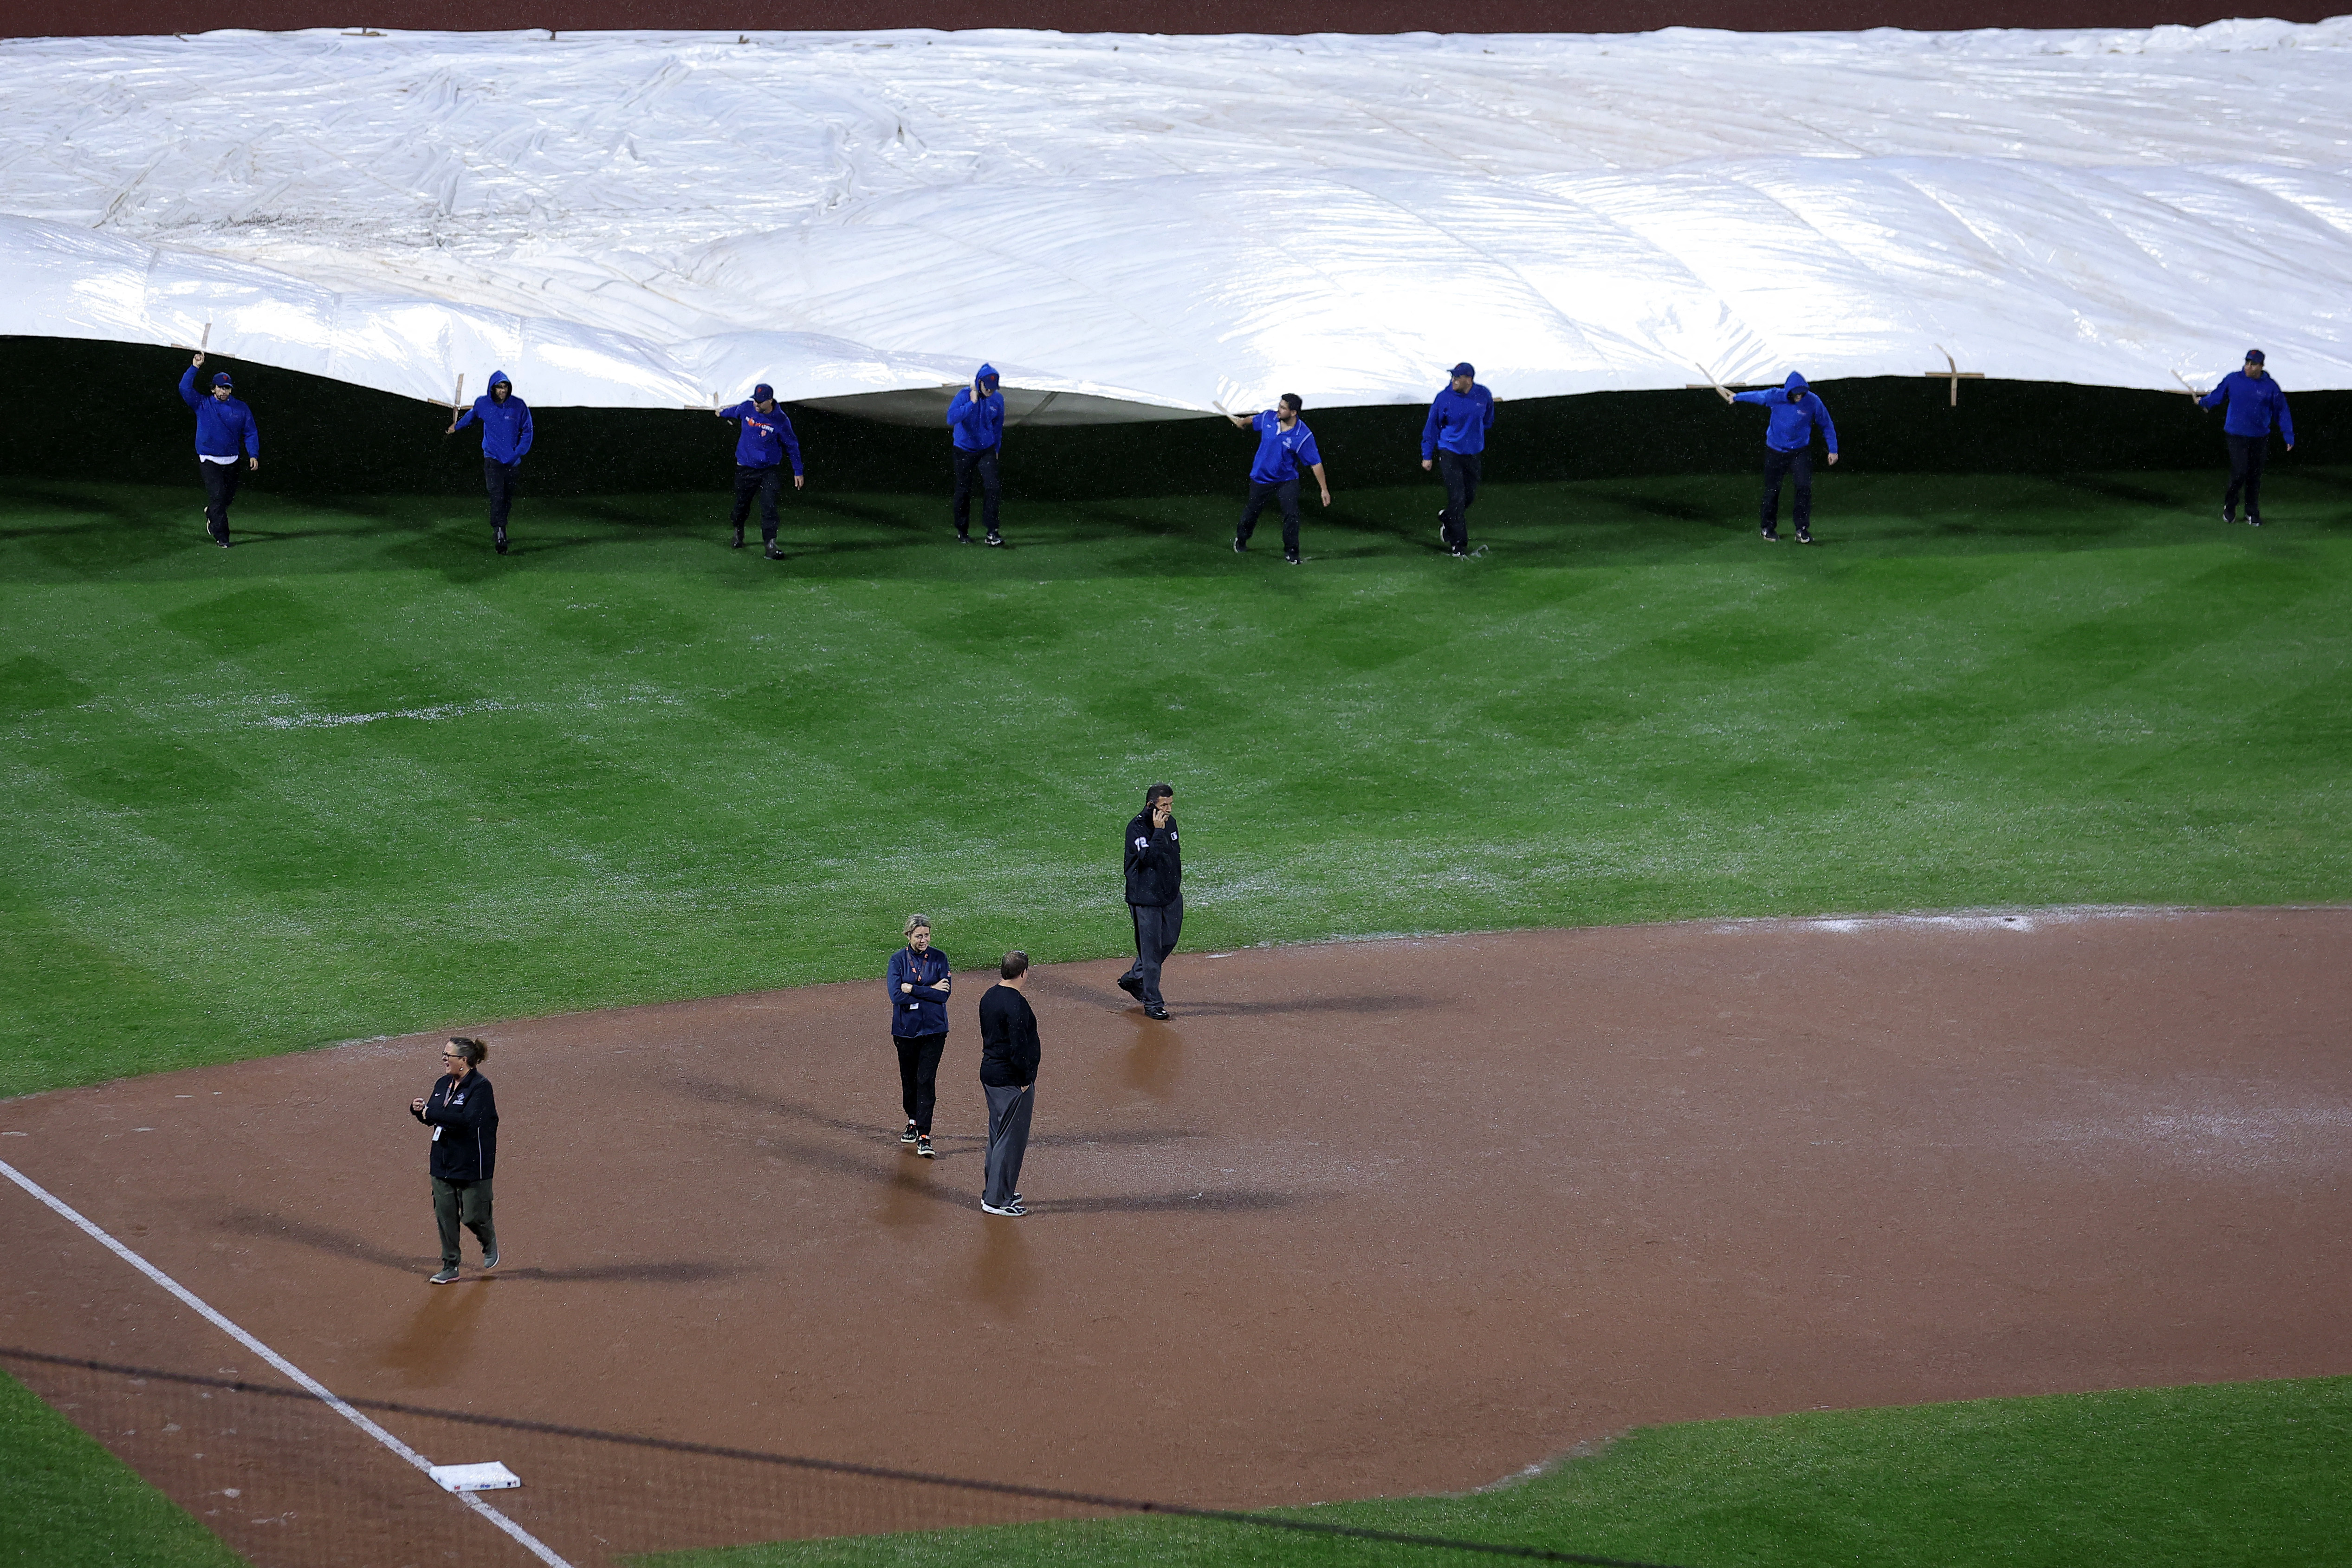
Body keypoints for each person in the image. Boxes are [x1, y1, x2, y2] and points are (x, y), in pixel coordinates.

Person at [408, 1037, 500, 1284]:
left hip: (472, 1163)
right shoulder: (442, 1083)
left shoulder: (480, 1088)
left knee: (472, 1216)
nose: (444, 1059)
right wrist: (420, 1112)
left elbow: (466, 1121)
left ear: (465, 1061)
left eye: (449, 1055)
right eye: (444, 1054)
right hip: (442, 1161)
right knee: (445, 1216)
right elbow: (436, 1116)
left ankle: (487, 1238)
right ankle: (450, 1266)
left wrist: (433, 1112)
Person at [1731, 372, 1839, 544]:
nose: (1799, 397)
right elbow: (1757, 396)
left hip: (1800, 452)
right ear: (1788, 391)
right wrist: (1737, 397)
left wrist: (1833, 450)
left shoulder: (1813, 401)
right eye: (1795, 394)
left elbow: (1826, 424)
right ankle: (1767, 528)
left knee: (1804, 488)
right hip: (1775, 451)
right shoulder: (1775, 396)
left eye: (1801, 394)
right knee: (1772, 490)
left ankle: (1802, 530)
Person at [1226, 395, 1329, 564]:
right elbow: (1253, 420)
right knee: (1252, 512)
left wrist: (1324, 489)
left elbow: (1315, 463)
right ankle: (1242, 539)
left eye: (1283, 408)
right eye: (1279, 406)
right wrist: (1241, 422)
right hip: (1261, 477)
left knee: (1292, 515)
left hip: (1286, 480)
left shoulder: (1303, 435)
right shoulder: (1269, 417)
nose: (1278, 410)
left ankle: (1292, 553)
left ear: (1294, 412)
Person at [2197, 350, 2295, 526]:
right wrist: (2204, 403)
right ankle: (2230, 507)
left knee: (2254, 476)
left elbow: (2281, 410)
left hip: (2259, 437)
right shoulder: (2233, 379)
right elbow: (2218, 395)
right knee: (2240, 472)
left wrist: (2288, 434)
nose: (2249, 367)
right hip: (2236, 434)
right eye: (2247, 362)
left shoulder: (2270, 386)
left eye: (2253, 364)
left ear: (2261, 366)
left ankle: (2252, 512)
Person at [977, 951, 1040, 1217]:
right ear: (1024, 973)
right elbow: (1019, 1048)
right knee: (1010, 1139)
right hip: (1009, 1080)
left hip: (991, 1072)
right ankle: (996, 1200)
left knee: (998, 1134)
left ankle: (996, 1189)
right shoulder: (1016, 1005)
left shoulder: (989, 996)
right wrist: (1025, 1080)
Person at [886, 914, 952, 1158]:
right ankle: (912, 1120)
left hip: (934, 1030)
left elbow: (944, 995)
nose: (923, 940)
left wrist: (912, 988)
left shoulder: (939, 958)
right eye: (919, 936)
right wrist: (930, 991)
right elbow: (896, 996)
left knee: (926, 1080)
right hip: (906, 1031)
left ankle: (924, 1135)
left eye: (926, 935)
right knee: (909, 1079)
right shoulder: (897, 961)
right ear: (908, 935)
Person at [447, 371, 534, 555]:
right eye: (499, 387)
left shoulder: (518, 406)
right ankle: (500, 531)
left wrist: (519, 452)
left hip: (512, 461)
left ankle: (501, 525)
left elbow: (528, 430)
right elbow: (472, 417)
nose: (502, 391)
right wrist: (457, 426)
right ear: (492, 388)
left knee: (507, 498)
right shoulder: (483, 404)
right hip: (492, 459)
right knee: (497, 495)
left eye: (505, 387)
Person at [178, 353, 258, 549]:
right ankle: (222, 537)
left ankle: (211, 513)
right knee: (218, 497)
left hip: (232, 460)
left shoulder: (240, 408)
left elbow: (250, 431)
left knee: (226, 499)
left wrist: (253, 454)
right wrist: (195, 367)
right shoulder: (202, 404)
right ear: (213, 389)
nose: (224, 391)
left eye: (227, 388)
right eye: (221, 387)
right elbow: (184, 388)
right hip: (209, 459)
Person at [717, 382, 804, 558]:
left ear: (770, 401)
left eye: (761, 402)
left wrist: (798, 471)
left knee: (769, 506)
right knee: (741, 505)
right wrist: (720, 412)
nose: (756, 404)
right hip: (745, 468)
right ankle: (738, 531)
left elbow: (792, 446)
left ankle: (770, 545)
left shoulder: (781, 420)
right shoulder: (747, 408)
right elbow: (730, 412)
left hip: (768, 470)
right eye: (755, 400)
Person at [1116, 783, 1181, 1020]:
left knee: (1170, 940)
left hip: (1170, 895)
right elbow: (1148, 858)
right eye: (1164, 804)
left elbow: (1173, 857)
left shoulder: (1170, 823)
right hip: (1145, 899)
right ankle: (1153, 1002)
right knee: (1152, 953)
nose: (1169, 809)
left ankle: (1134, 978)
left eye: (1171, 804)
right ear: (1151, 804)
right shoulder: (1137, 828)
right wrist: (1158, 831)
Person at [1421, 362, 1495, 558]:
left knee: (1468, 497)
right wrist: (1427, 455)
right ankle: (1459, 546)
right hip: (1450, 453)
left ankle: (1447, 517)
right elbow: (1432, 427)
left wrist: (1472, 437)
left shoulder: (1483, 395)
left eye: (1458, 377)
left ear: (1469, 380)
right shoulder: (1444, 398)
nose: (1453, 380)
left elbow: (1488, 420)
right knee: (1458, 497)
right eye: (1452, 376)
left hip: (1472, 454)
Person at [947, 364, 1005, 545]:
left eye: (993, 388)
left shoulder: (997, 400)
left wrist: (996, 449)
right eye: (987, 387)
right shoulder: (964, 396)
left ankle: (992, 533)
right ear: (979, 383)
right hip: (964, 450)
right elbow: (951, 419)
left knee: (993, 487)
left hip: (986, 449)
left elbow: (998, 427)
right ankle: (962, 531)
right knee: (964, 490)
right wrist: (971, 404)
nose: (990, 391)